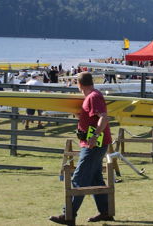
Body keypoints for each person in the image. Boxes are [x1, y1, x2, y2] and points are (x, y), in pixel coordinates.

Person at [49, 72, 114, 225]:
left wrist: (94, 136)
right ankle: (105, 211)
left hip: (94, 144)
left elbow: (103, 117)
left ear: (79, 84)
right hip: (94, 143)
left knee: (79, 178)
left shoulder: (93, 97)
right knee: (94, 178)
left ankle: (68, 215)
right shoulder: (92, 96)